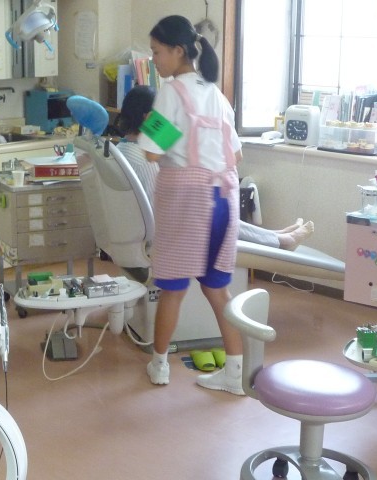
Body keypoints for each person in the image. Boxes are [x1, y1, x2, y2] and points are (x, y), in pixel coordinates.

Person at [135, 15, 245, 395]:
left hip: (188, 201)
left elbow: (151, 153)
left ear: (178, 51)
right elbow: (236, 155)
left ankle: (159, 365)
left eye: (157, 52)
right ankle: (235, 374)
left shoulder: (171, 91)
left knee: (173, 288)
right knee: (217, 290)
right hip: (224, 199)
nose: (154, 60)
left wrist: (152, 126)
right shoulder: (216, 94)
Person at [117, 85, 314, 251]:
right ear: (148, 118)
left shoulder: (122, 150)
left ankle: (276, 236)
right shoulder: (145, 161)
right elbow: (159, 212)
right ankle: (282, 241)